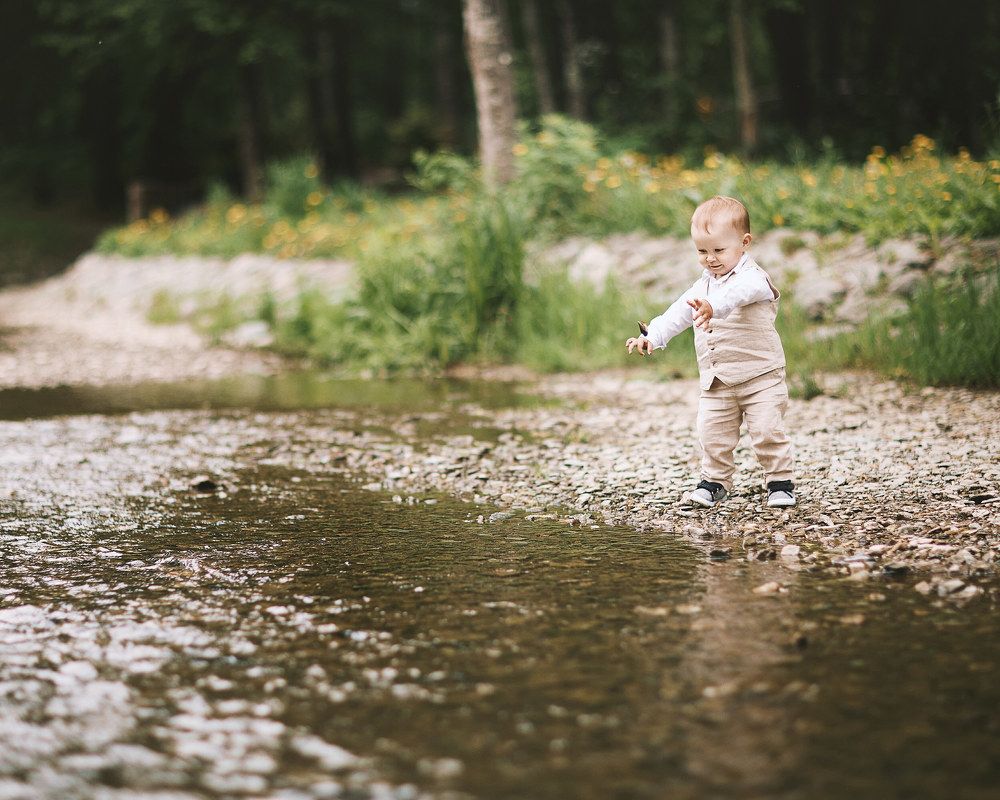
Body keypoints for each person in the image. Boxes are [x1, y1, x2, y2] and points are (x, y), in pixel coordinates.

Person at [625, 195, 796, 508]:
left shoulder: (753, 277)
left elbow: (738, 294)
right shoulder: (701, 287)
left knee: (767, 429)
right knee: (712, 433)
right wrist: (652, 335)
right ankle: (715, 481)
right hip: (717, 380)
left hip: (761, 376)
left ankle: (780, 482)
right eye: (702, 251)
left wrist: (713, 306)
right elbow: (677, 313)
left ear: (744, 242)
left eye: (719, 250)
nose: (710, 258)